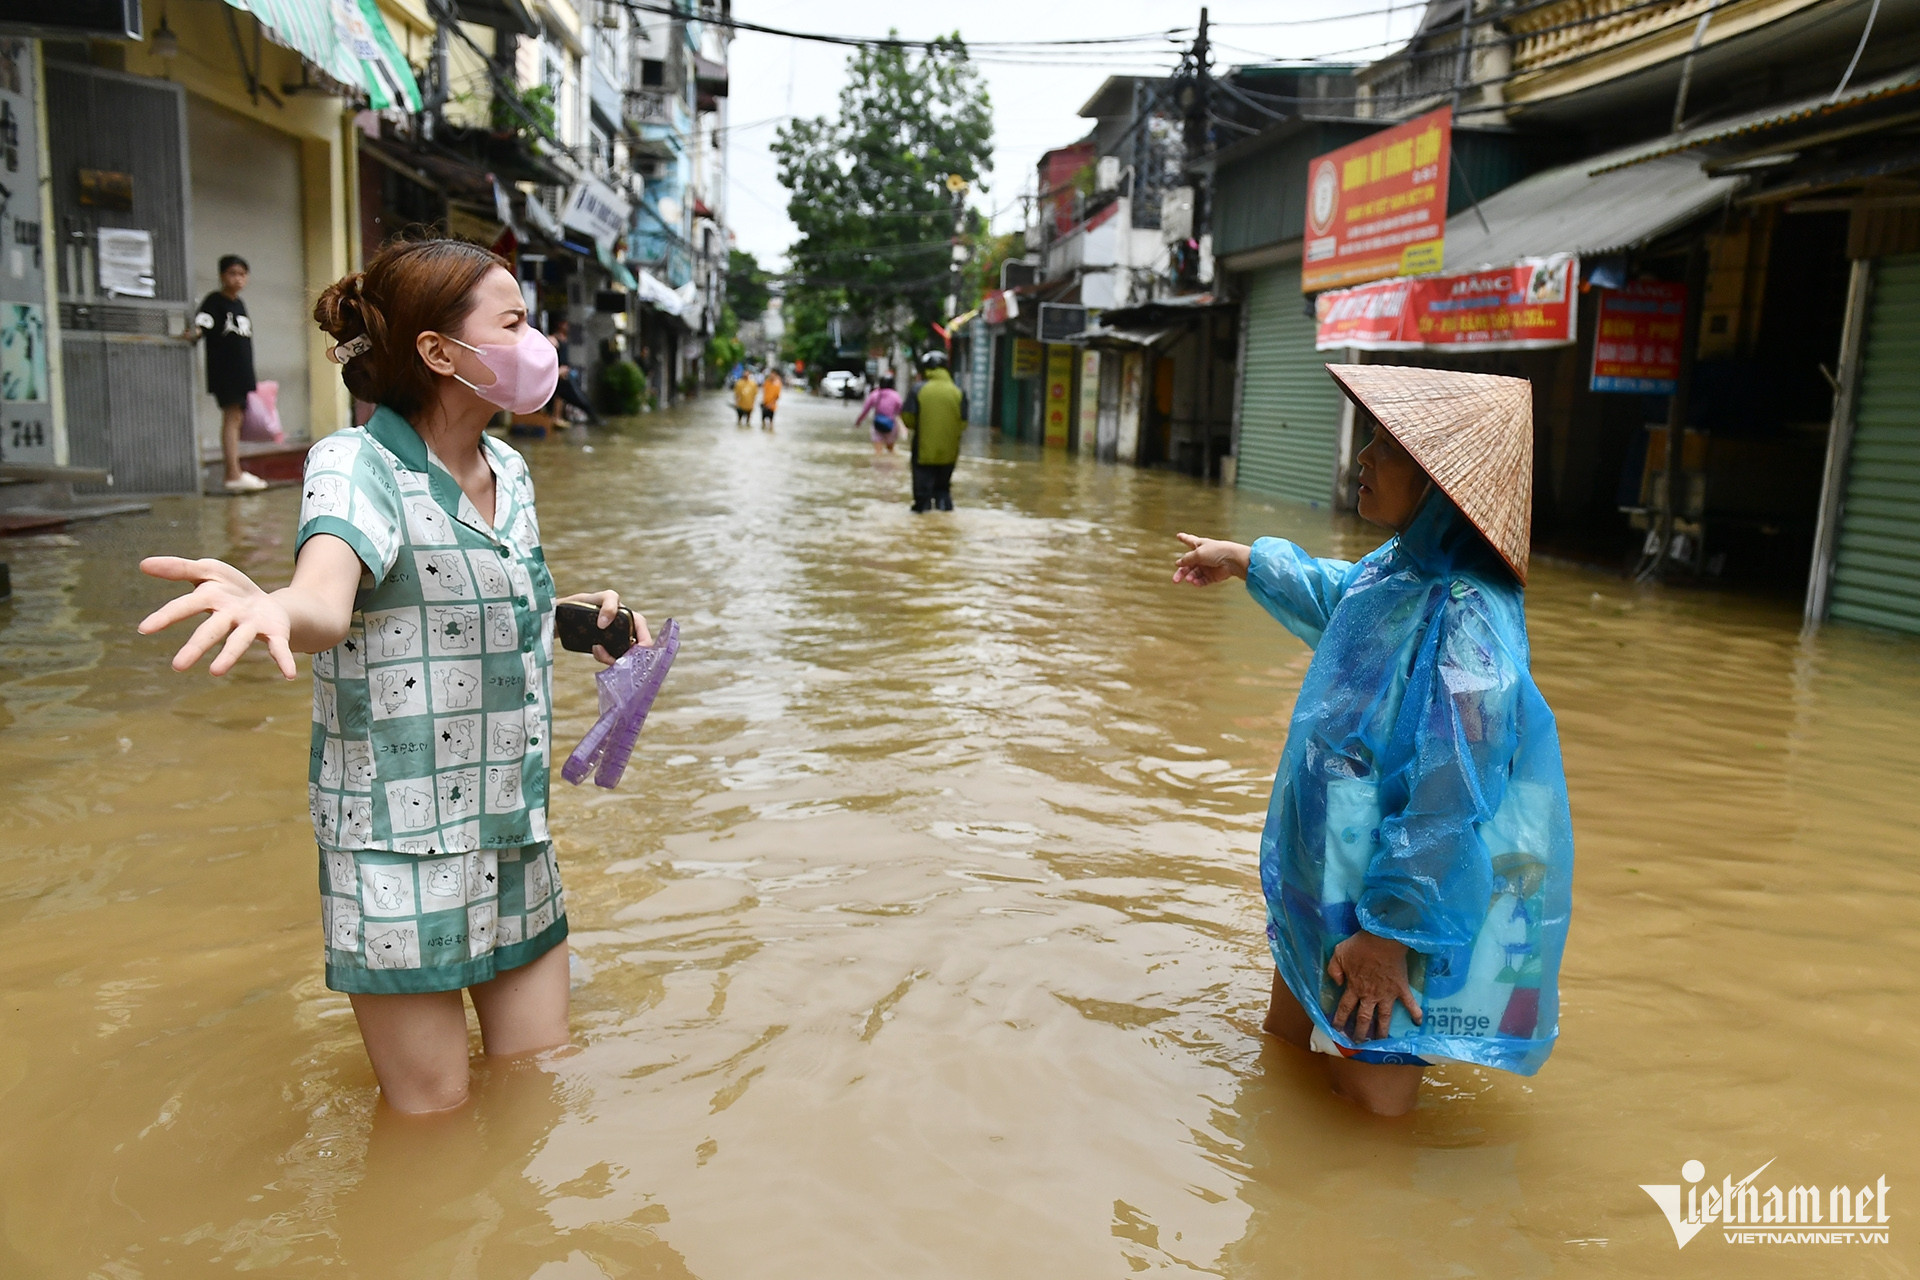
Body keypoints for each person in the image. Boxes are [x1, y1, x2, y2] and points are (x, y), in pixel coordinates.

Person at [137, 238, 642, 1115]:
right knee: (431, 1128)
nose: (537, 343)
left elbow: (486, 600)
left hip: (513, 831)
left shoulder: (509, 470)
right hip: (398, 850)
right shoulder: (354, 466)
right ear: (440, 353)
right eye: (515, 323)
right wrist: (273, 609)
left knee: (537, 1092)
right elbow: (328, 600)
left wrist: (585, 627)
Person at [1171, 364, 1573, 1117]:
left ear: (1434, 485)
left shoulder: (1468, 618)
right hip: (1327, 880)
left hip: (1385, 905)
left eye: (1383, 448)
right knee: (1285, 1063)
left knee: (1368, 1109)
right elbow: (1339, 596)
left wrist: (1389, 937)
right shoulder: (1401, 571)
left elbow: (1450, 795)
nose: (1361, 460)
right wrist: (1248, 560)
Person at [186, 254, 266, 492]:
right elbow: (204, 323)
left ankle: (236, 471)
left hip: (242, 373)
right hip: (226, 373)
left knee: (237, 419)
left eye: (242, 274)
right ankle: (232, 474)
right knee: (231, 419)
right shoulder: (215, 301)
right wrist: (195, 332)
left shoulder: (239, 304)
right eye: (233, 273)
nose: (238, 279)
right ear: (222, 276)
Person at [900, 350, 967, 512]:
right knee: (943, 491)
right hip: (949, 453)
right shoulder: (958, 392)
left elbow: (908, 419)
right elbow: (963, 423)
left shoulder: (918, 389)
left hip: (923, 452)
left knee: (922, 498)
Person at [545, 318, 600, 424]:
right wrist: (556, 371)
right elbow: (545, 359)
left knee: (562, 396)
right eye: (566, 324)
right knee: (575, 397)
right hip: (557, 374)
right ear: (560, 325)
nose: (568, 327)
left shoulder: (565, 339)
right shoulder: (553, 340)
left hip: (565, 374)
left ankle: (557, 418)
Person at [854, 376, 902, 454]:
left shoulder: (875, 394)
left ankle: (878, 465)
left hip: (878, 425)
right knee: (891, 449)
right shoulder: (896, 396)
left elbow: (865, 410)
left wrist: (859, 421)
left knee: (878, 451)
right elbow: (900, 411)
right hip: (891, 425)